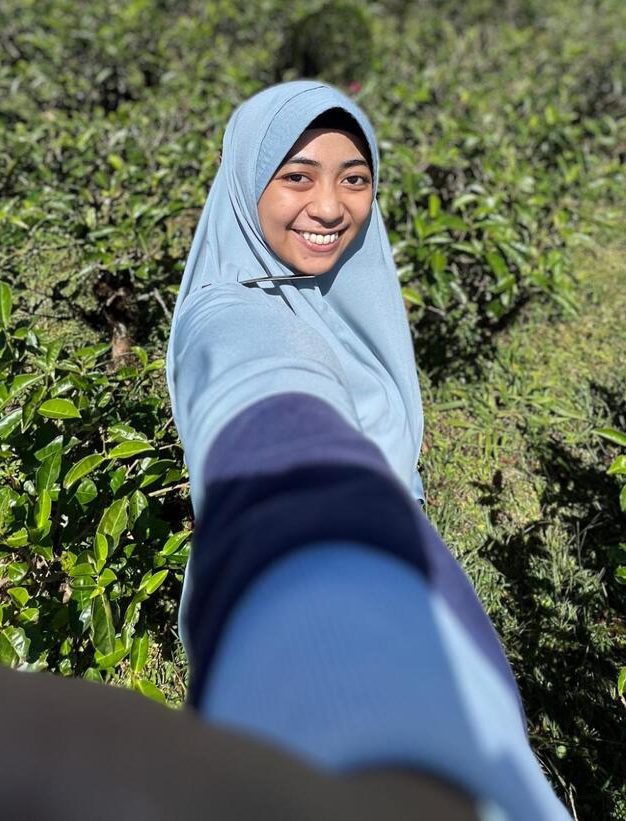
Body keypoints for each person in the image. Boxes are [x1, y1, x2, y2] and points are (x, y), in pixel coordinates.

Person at [167, 79, 569, 820]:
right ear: (245, 181)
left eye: (354, 178)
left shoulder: (345, 291)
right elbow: (276, 418)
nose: (329, 206)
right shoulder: (230, 315)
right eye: (295, 176)